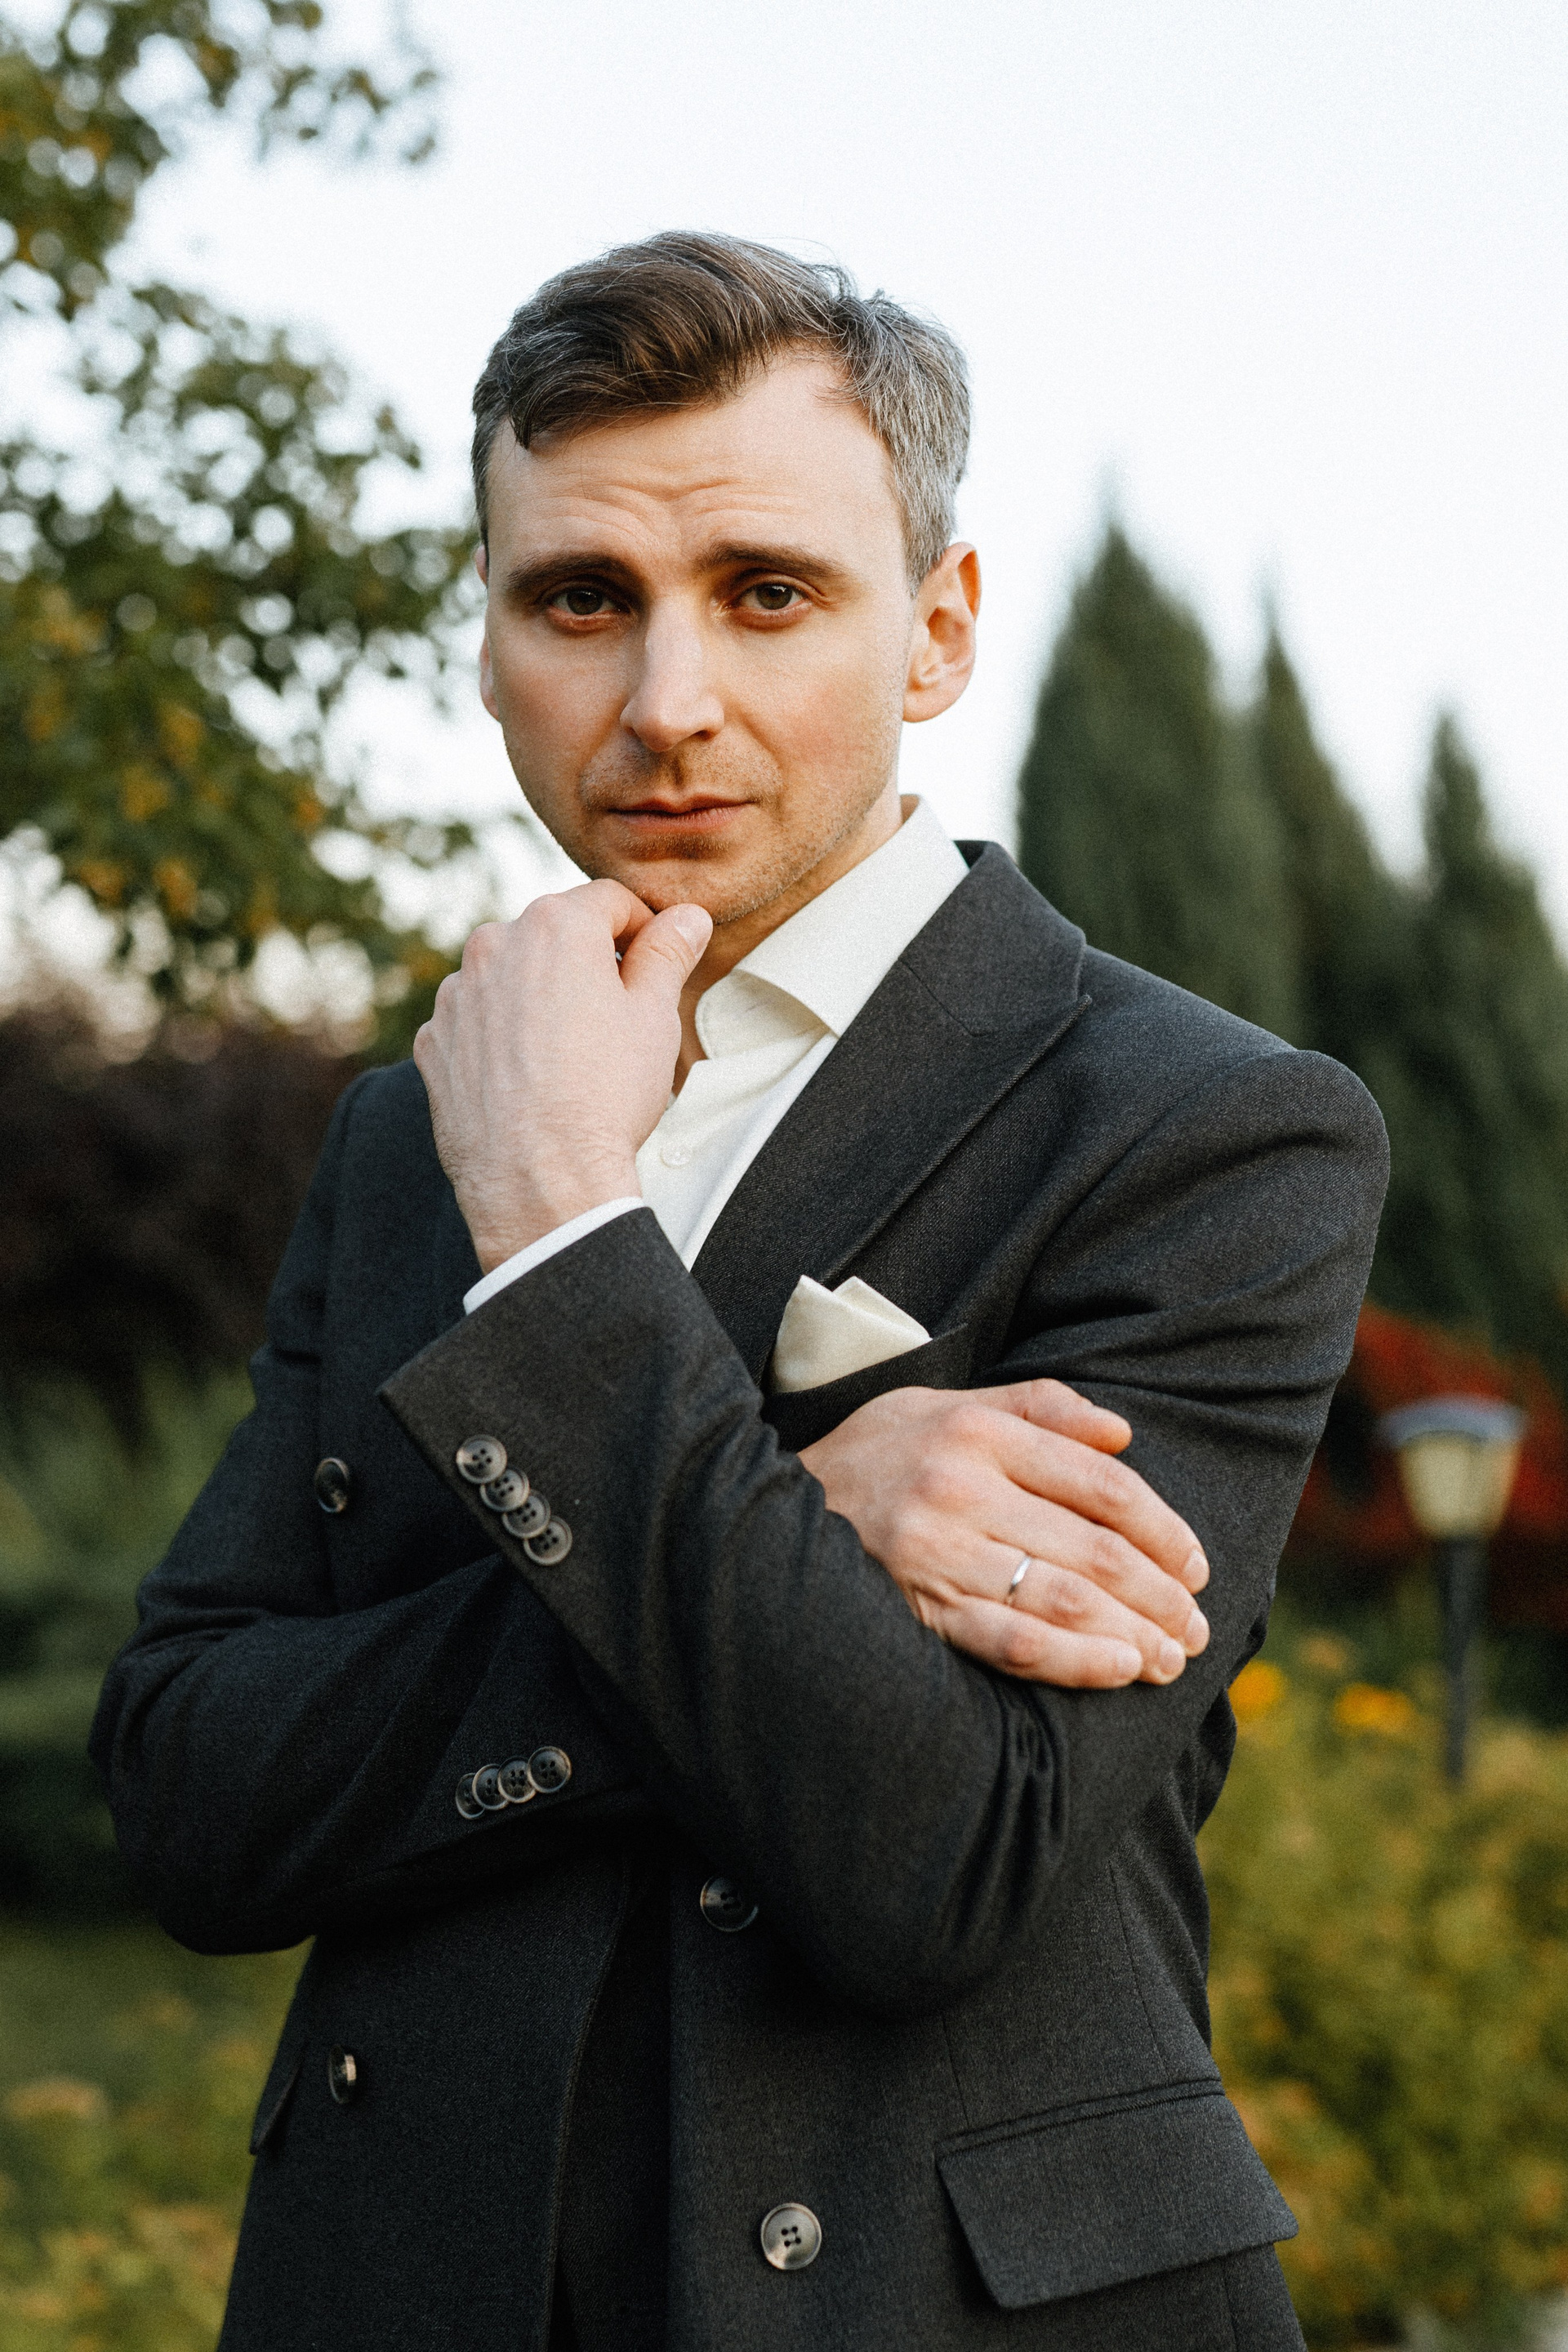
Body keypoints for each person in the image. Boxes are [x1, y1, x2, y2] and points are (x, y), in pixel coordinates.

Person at [91, 233, 1388, 2352]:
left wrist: (560, 1236)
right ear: (490, 641)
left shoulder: (1211, 1129)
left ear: (937, 630)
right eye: (579, 599)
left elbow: (937, 1858)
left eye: (768, 592)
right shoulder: (405, 1129)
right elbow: (188, 1796)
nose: (666, 702)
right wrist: (807, 1511)